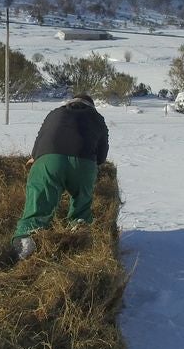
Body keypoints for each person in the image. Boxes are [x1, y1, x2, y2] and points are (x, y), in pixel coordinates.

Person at [11, 93, 110, 260]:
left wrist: (36, 157)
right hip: (83, 164)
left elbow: (39, 141)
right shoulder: (98, 119)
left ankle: (27, 240)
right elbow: (101, 157)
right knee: (82, 205)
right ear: (91, 106)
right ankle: (79, 240)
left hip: (50, 160)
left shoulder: (54, 113)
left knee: (39, 201)